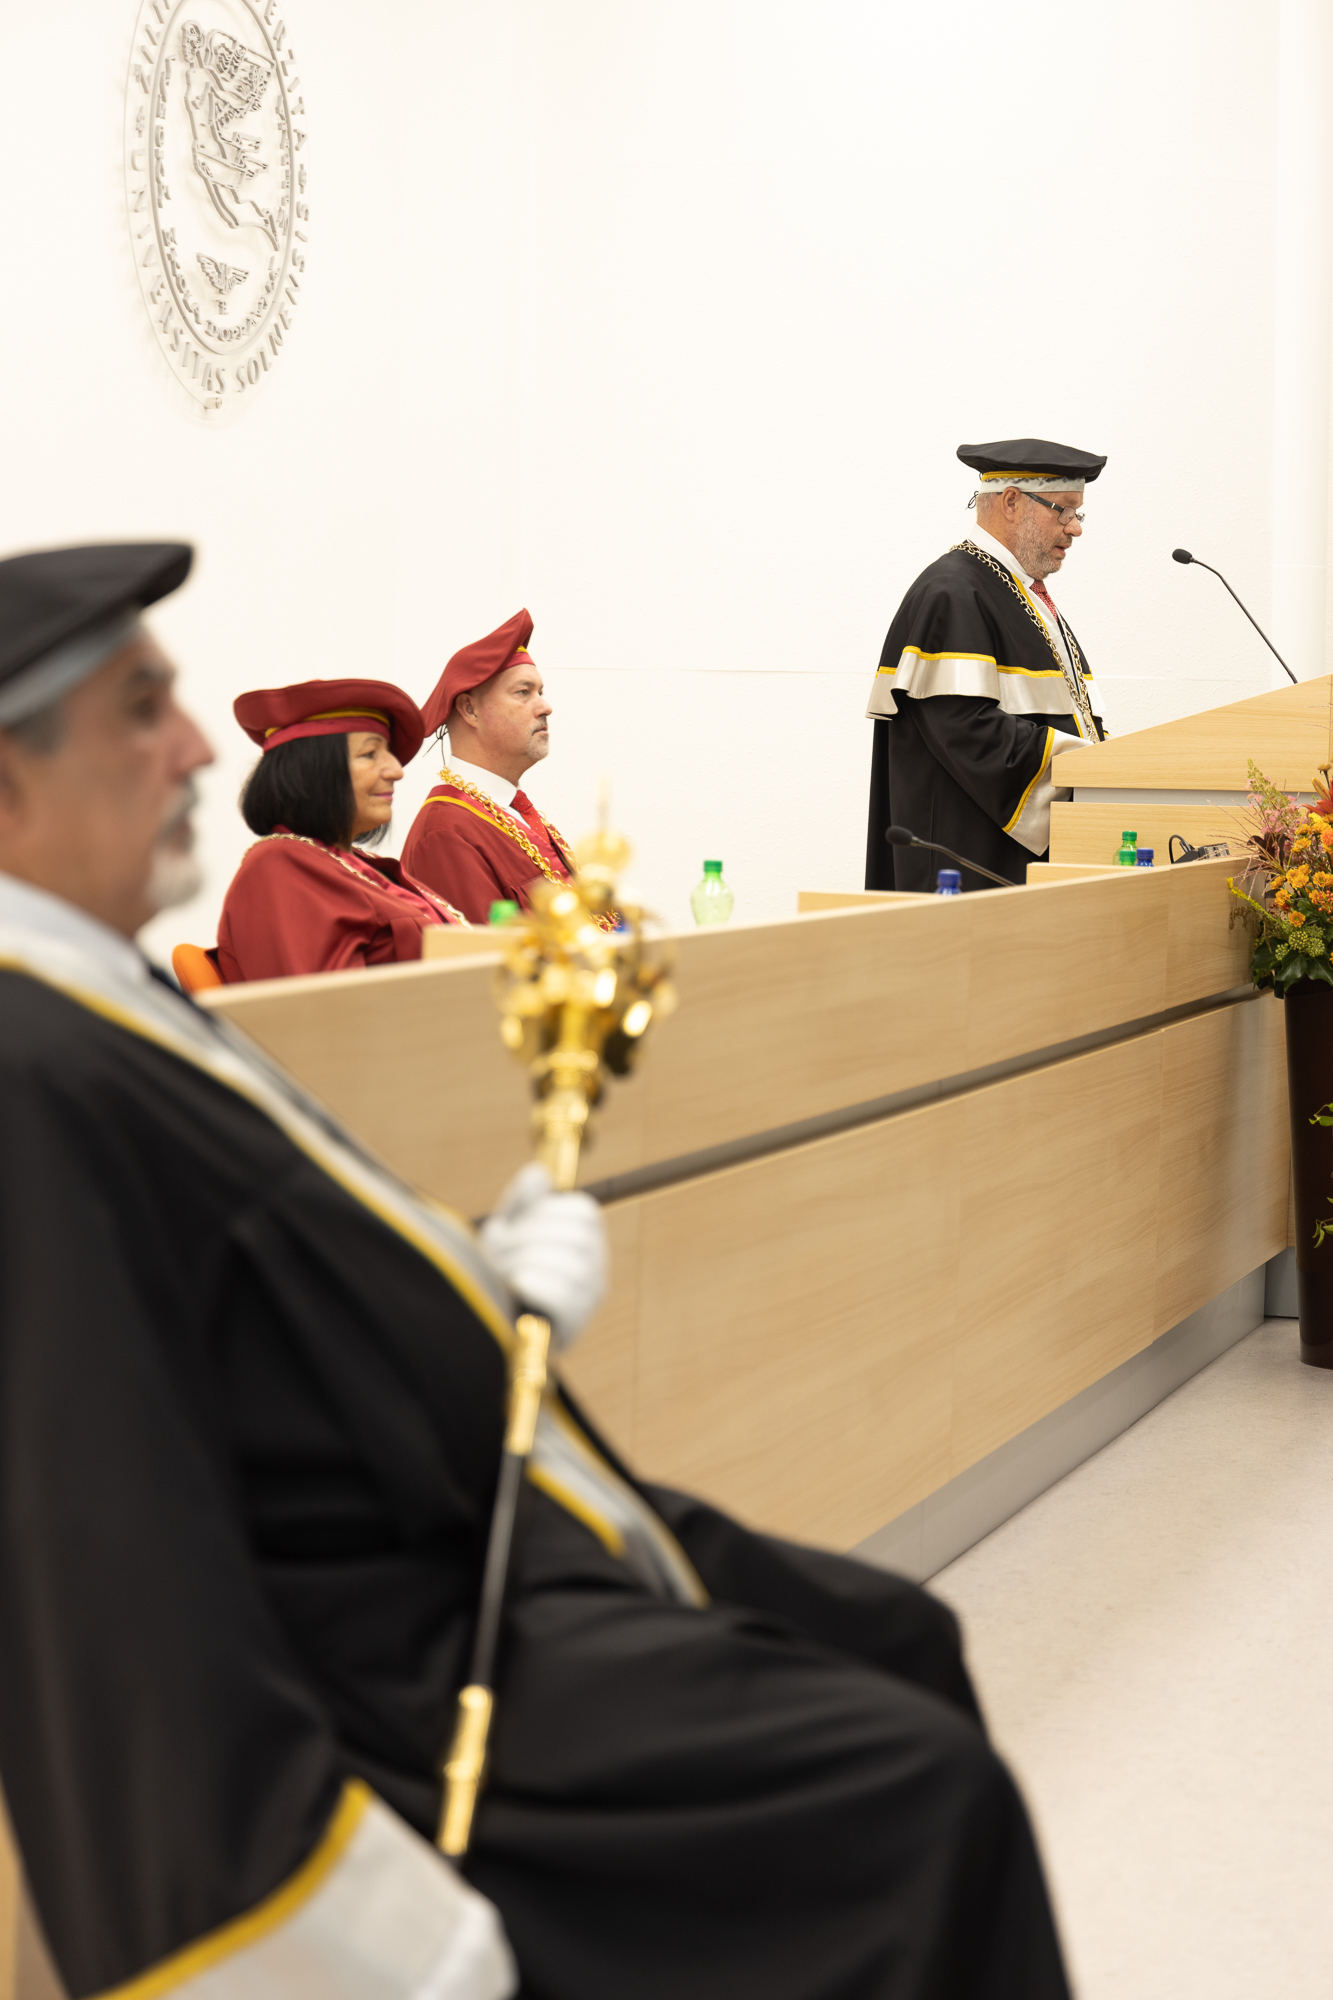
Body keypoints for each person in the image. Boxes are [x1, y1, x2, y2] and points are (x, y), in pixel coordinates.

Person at [0, 543, 1072, 1999]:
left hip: (465, 1527)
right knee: (928, 1798)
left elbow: (257, 1296)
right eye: (143, 710)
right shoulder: (30, 1067)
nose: (196, 747)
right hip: (401, 1643)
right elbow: (109, 1552)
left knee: (901, 1632)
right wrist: (356, 1937)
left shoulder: (91, 986)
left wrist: (479, 1288)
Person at [865, 438, 1106, 892]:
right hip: (969, 868)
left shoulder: (1023, 597)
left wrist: (1109, 771)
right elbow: (967, 732)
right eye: (1063, 510)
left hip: (1017, 864)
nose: (1075, 528)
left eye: (1079, 513)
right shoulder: (953, 592)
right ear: (1011, 502)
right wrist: (1090, 771)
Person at [215, 676, 468, 981]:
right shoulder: (279, 867)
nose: (396, 770)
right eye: (370, 754)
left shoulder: (361, 865)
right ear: (313, 771)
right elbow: (325, 1005)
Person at [402, 611, 587, 924]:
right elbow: (489, 954)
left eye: (540, 692)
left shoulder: (513, 813)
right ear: (470, 710)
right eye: (523, 692)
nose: (545, 707)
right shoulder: (445, 833)